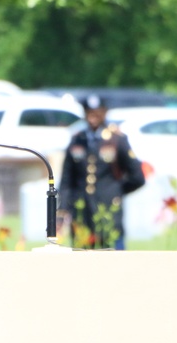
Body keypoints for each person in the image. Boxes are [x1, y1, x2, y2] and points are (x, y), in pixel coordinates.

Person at [58, 94, 146, 249]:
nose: (93, 118)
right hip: (82, 215)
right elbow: (66, 181)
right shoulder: (77, 140)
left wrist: (115, 191)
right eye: (89, 113)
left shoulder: (117, 139)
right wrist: (63, 210)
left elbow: (137, 177)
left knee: (114, 264)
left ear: (104, 113)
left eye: (97, 113)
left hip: (109, 214)